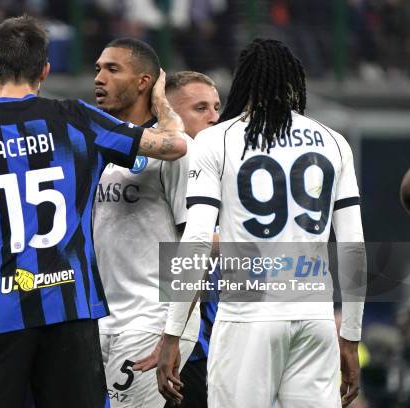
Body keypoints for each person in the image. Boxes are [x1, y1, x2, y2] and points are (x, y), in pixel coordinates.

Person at [0, 15, 187, 408]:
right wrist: (161, 103)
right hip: (70, 309)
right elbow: (176, 145)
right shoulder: (76, 118)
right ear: (45, 69)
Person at [157, 38, 366, 408]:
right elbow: (352, 247)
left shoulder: (216, 140)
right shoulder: (335, 143)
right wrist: (350, 336)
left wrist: (172, 333)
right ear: (293, 82)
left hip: (247, 316)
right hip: (315, 317)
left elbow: (198, 238)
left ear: (244, 81)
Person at [92, 40, 199, 408]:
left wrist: (172, 332)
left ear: (144, 82)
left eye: (112, 69)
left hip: (150, 319)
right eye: (97, 69)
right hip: (103, 321)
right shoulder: (101, 145)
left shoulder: (176, 153)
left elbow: (194, 245)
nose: (99, 78)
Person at [163, 71, 221, 408]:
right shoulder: (171, 166)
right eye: (201, 108)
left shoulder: (215, 169)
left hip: (212, 339)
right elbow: (179, 246)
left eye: (216, 107)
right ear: (170, 113)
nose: (215, 116)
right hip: (175, 342)